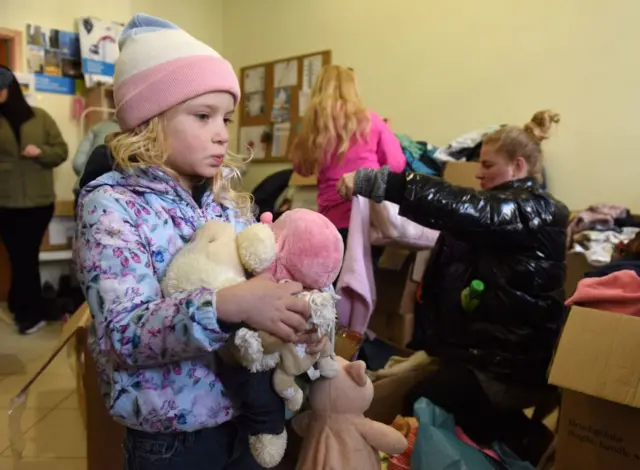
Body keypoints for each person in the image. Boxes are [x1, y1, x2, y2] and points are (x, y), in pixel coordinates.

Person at [74, 14, 324, 470]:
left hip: (247, 414)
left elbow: (259, 285)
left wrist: (291, 300)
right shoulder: (110, 204)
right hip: (174, 440)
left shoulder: (225, 196)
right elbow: (121, 334)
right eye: (203, 115)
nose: (222, 133)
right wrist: (229, 304)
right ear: (150, 119)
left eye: (226, 117)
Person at [338, 110, 568, 463]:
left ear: (518, 166)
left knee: (422, 399)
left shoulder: (533, 210)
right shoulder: (506, 213)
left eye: (488, 165)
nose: (478, 172)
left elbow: (463, 206)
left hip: (507, 367)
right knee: (405, 384)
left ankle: (520, 442)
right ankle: (515, 438)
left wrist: (383, 184)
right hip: (485, 355)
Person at [290, 65, 406, 249]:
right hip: (369, 218)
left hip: (331, 222)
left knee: (335, 274)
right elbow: (396, 165)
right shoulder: (370, 120)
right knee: (365, 274)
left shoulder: (312, 126)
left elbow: (301, 168)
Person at [0, 65, 68, 334]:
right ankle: (23, 305)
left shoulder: (41, 118)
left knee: (25, 256)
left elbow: (61, 151)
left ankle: (30, 313)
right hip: (5, 203)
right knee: (19, 257)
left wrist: (40, 151)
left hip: (39, 203)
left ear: (10, 89)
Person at [71, 115, 120, 208]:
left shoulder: (98, 127)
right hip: (117, 197)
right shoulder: (138, 131)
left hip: (85, 189)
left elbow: (77, 162)